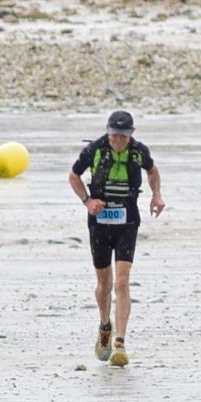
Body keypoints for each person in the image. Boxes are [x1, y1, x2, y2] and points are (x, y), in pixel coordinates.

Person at [71, 109, 164, 365]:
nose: (119, 141)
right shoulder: (94, 150)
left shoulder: (139, 151)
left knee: (122, 282)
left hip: (127, 222)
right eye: (114, 135)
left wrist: (156, 196)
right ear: (108, 132)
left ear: (131, 133)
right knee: (104, 283)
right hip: (99, 224)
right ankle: (105, 326)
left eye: (123, 136)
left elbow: (153, 171)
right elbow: (73, 175)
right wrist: (87, 201)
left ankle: (120, 344)